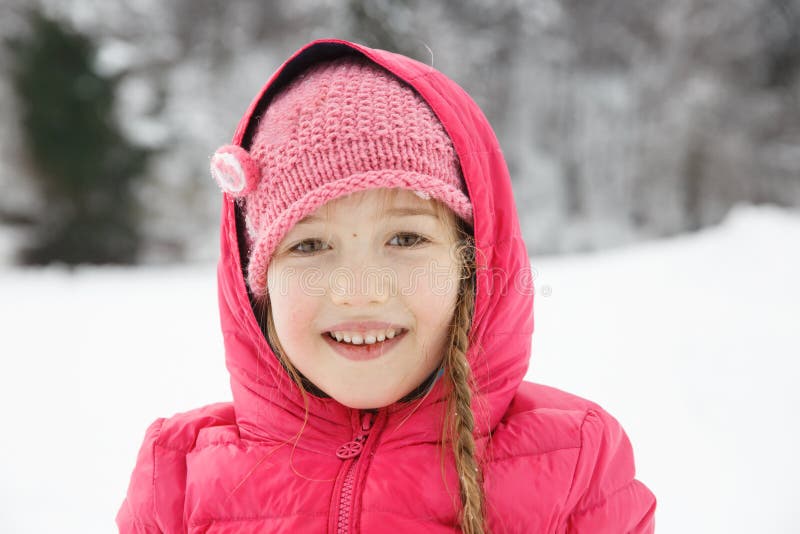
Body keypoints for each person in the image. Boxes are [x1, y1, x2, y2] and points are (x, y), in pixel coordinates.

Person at [117, 38, 656, 533]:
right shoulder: (177, 478)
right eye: (309, 246)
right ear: (256, 283)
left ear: (469, 263)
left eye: (404, 238)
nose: (359, 292)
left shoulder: (577, 461)